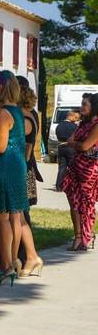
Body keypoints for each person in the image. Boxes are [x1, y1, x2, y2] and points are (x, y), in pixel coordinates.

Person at [0, 70, 29, 286]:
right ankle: (7, 263)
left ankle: (6, 264)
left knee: (0, 216)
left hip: (4, 167)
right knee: (11, 215)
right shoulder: (18, 111)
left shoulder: (2, 114)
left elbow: (0, 146)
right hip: (17, 166)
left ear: (1, 87)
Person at [61, 94, 98, 252]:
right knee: (73, 201)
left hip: (89, 169)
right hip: (76, 167)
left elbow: (84, 146)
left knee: (86, 204)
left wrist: (74, 144)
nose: (81, 107)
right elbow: (73, 140)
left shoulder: (96, 125)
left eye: (85, 104)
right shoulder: (83, 124)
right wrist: (76, 143)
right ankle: (78, 236)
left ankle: (86, 237)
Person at [17, 86, 44, 277]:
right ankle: (27, 256)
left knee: (20, 215)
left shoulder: (24, 117)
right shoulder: (30, 115)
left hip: (21, 172)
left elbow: (26, 151)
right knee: (20, 215)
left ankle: (29, 255)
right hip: (23, 170)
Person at [55, 110, 80, 189]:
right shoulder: (74, 127)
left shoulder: (59, 125)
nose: (76, 119)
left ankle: (59, 186)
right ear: (70, 116)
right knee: (72, 167)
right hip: (71, 148)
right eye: (75, 117)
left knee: (62, 167)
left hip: (61, 147)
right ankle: (71, 185)